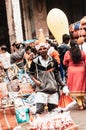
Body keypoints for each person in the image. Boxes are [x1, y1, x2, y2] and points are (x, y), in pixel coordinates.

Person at [29, 39, 69, 114]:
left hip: (53, 89)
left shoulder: (53, 61)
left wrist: (63, 85)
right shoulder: (35, 62)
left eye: (44, 48)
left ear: (47, 49)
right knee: (39, 111)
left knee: (53, 112)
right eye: (40, 49)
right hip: (41, 89)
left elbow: (57, 74)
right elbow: (30, 73)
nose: (43, 50)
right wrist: (36, 81)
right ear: (38, 51)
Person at [63, 40, 86, 110]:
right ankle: (82, 102)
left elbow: (64, 62)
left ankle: (80, 104)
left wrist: (69, 64)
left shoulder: (68, 53)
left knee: (75, 88)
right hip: (81, 70)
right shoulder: (82, 52)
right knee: (81, 87)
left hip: (72, 71)